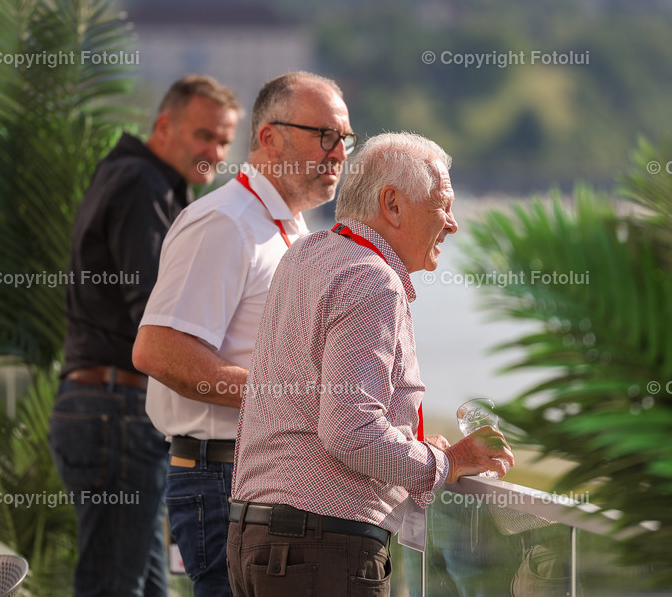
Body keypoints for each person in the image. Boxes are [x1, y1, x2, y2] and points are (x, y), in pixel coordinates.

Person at [227, 131, 516, 597]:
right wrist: (447, 461)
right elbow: (350, 431)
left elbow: (321, 405)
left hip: (255, 536)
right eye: (443, 204)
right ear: (393, 204)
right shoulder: (371, 278)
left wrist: (412, 446)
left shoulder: (305, 254)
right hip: (320, 548)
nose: (453, 224)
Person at [131, 71, 355, 597]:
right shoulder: (225, 222)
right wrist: (292, 398)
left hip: (255, 479)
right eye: (323, 135)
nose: (338, 153)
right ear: (269, 138)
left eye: (345, 138)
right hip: (221, 479)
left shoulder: (283, 227)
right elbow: (158, 351)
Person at [49, 75, 241, 597]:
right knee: (115, 587)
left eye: (224, 142)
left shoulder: (132, 176)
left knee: (146, 588)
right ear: (163, 126)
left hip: (108, 407)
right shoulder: (141, 182)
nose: (214, 152)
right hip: (117, 409)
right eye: (204, 135)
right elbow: (157, 316)